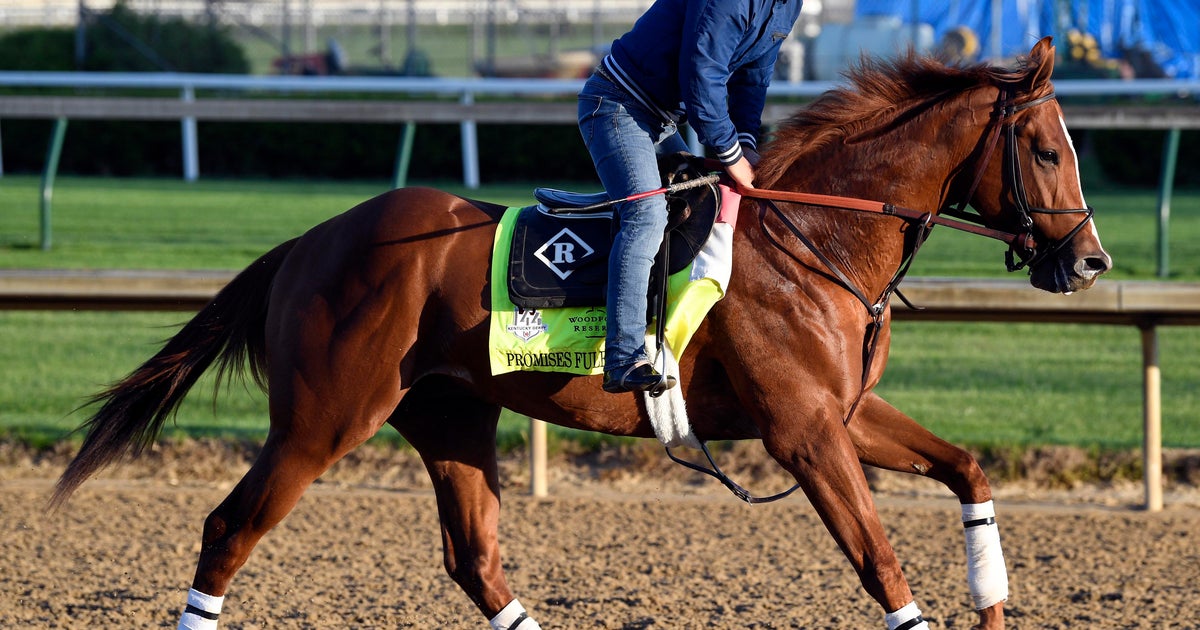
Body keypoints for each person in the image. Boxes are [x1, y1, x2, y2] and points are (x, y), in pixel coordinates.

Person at [578, 0, 804, 393]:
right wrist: (731, 154)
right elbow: (702, 74)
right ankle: (624, 357)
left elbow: (753, 78)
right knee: (646, 216)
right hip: (617, 106)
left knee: (708, 202)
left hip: (661, 120)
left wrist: (746, 142)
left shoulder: (789, 4)